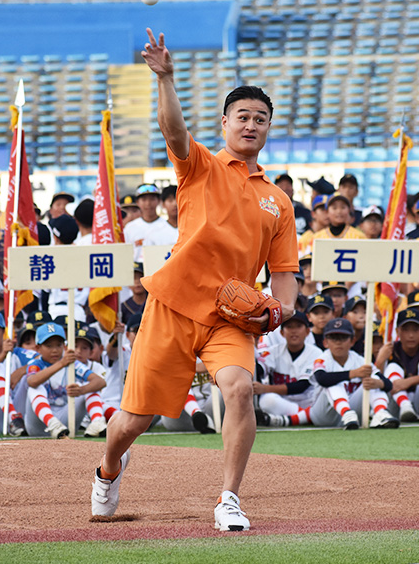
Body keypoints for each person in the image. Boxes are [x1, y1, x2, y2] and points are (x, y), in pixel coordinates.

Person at [91, 29, 298, 533]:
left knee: (240, 389)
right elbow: (173, 129)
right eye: (242, 117)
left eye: (260, 119)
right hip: (173, 306)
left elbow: (286, 273)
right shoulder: (200, 165)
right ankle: (108, 470)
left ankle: (229, 499)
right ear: (225, 124)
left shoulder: (280, 201)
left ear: (269, 128)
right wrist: (165, 77)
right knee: (133, 422)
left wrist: (282, 309)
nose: (251, 124)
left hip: (231, 315)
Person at [309, 318, 393, 429]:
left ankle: (381, 413)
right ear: (325, 342)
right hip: (323, 415)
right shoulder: (322, 359)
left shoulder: (359, 360)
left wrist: (378, 383)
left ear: (352, 341)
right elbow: (322, 379)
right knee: (332, 383)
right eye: (334, 338)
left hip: (352, 417)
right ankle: (346, 412)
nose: (338, 342)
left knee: (371, 379)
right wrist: (353, 373)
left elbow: (388, 384)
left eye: (343, 337)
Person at [253, 311, 321, 427]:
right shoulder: (273, 351)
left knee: (267, 396)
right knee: (267, 401)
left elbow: (301, 386)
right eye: (289, 327)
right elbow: (257, 370)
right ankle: (303, 418)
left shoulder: (316, 353)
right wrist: (252, 344)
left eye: (299, 326)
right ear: (282, 333)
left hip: (308, 403)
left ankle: (296, 418)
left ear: (307, 331)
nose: (294, 331)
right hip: (282, 403)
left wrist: (265, 388)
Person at [374, 308, 419, 422]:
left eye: (415, 330)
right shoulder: (390, 349)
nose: (410, 335)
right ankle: (405, 406)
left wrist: (408, 381)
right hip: (395, 401)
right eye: (405, 330)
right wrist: (380, 360)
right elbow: (374, 379)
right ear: (397, 331)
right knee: (392, 367)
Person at [124, 183, 173, 262]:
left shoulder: (168, 226)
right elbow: (125, 254)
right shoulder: (130, 228)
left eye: (152, 199)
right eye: (144, 200)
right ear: (138, 202)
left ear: (159, 201)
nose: (148, 203)